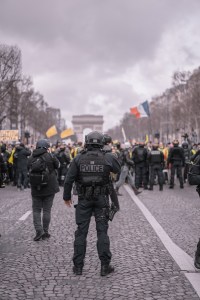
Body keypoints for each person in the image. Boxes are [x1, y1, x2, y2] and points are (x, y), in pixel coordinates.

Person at [63, 131, 121, 276]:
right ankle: (104, 266)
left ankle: (78, 267)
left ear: (86, 142)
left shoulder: (78, 158)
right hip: (101, 199)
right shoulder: (108, 157)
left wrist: (66, 197)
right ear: (102, 142)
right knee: (102, 232)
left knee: (81, 232)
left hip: (84, 200)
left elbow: (69, 179)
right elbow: (118, 169)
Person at [28, 139, 60, 241]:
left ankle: (39, 231)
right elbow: (58, 165)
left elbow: (27, 168)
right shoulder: (50, 156)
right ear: (47, 147)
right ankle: (45, 232)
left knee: (36, 210)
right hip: (49, 188)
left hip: (36, 187)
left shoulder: (31, 157)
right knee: (47, 210)